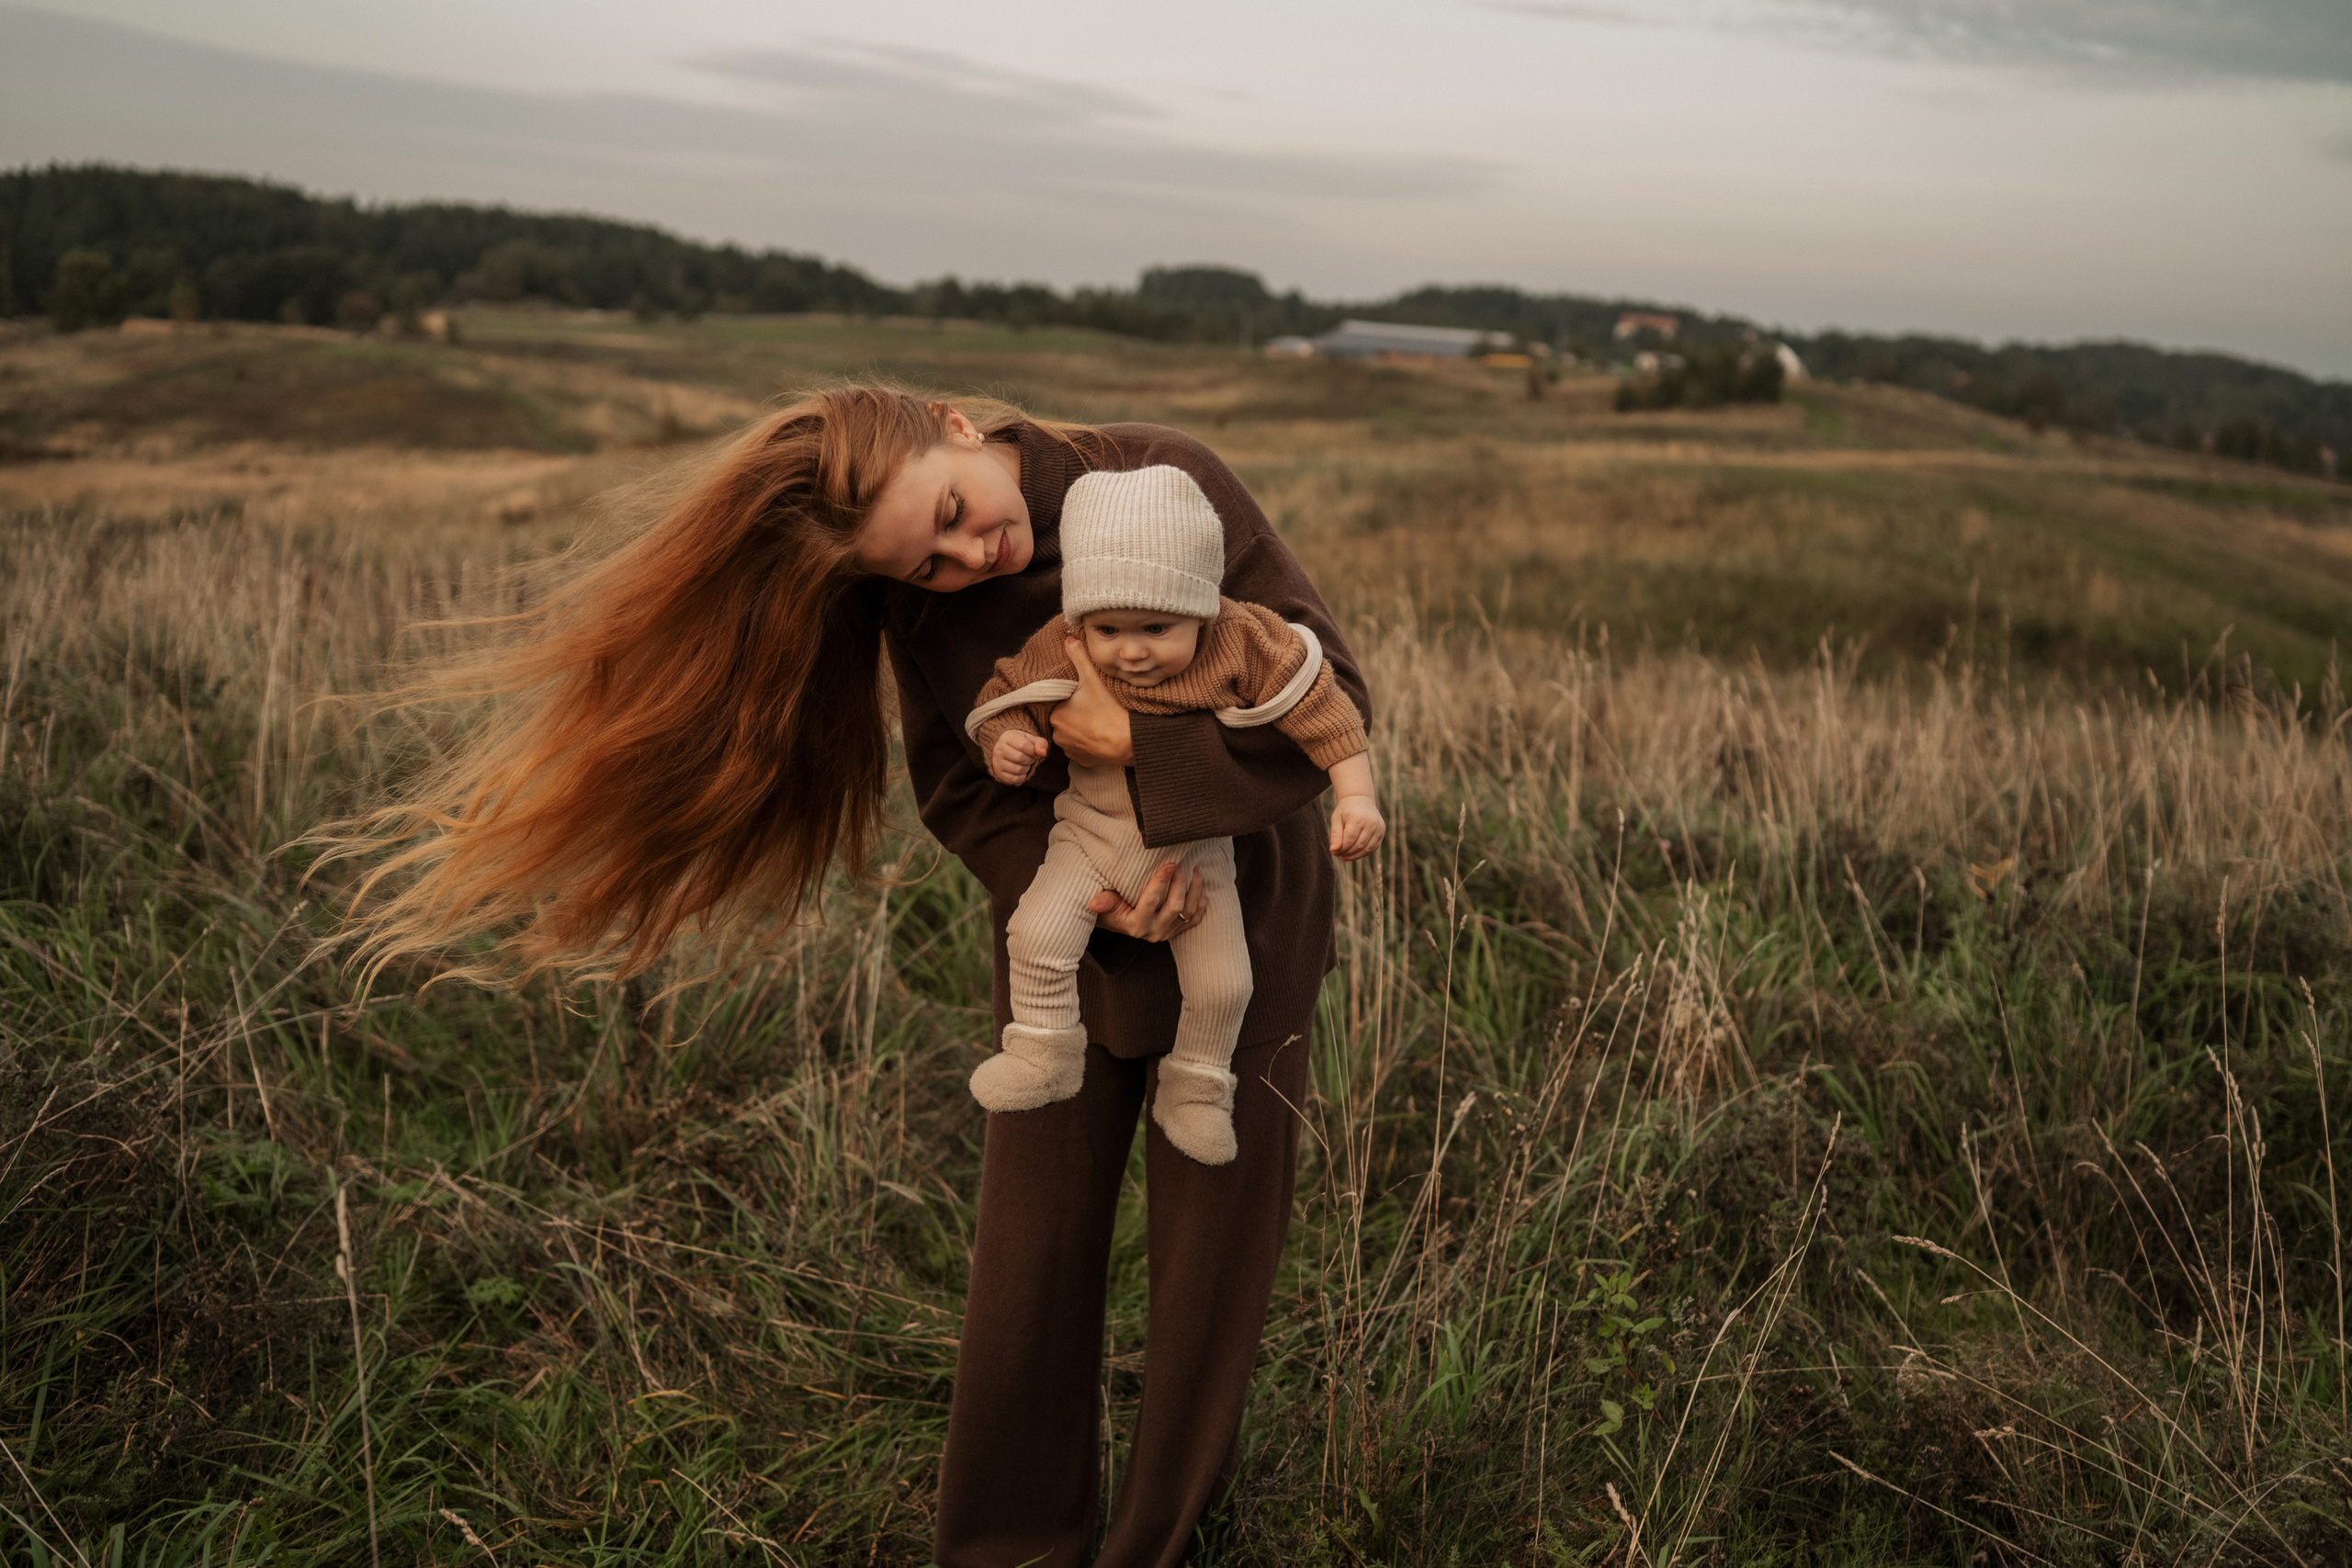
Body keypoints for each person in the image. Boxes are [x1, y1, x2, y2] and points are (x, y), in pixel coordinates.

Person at [333, 386, 1369, 1568]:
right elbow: (960, 787)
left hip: (1243, 908)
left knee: (1210, 1252)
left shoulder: (1161, 473)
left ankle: (1159, 1545)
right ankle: (1007, 1551)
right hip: (1067, 926)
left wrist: (1141, 748)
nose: (968, 560)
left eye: (954, 515)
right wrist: (1089, 894)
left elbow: (1332, 694)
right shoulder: (918, 604)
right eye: (926, 564)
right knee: (1030, 1250)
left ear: (956, 428)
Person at [962, 463, 1383, 1166]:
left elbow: (1323, 709)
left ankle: (1195, 1089)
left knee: (1225, 984)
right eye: (1109, 629)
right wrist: (1005, 741)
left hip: (1195, 855)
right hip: (1088, 835)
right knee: (1035, 933)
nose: (1131, 650)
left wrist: (1357, 795)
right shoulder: (1065, 642)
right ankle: (1042, 1051)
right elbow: (1009, 694)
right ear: (1081, 619)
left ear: (1202, 607)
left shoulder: (1241, 640)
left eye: (1157, 627)